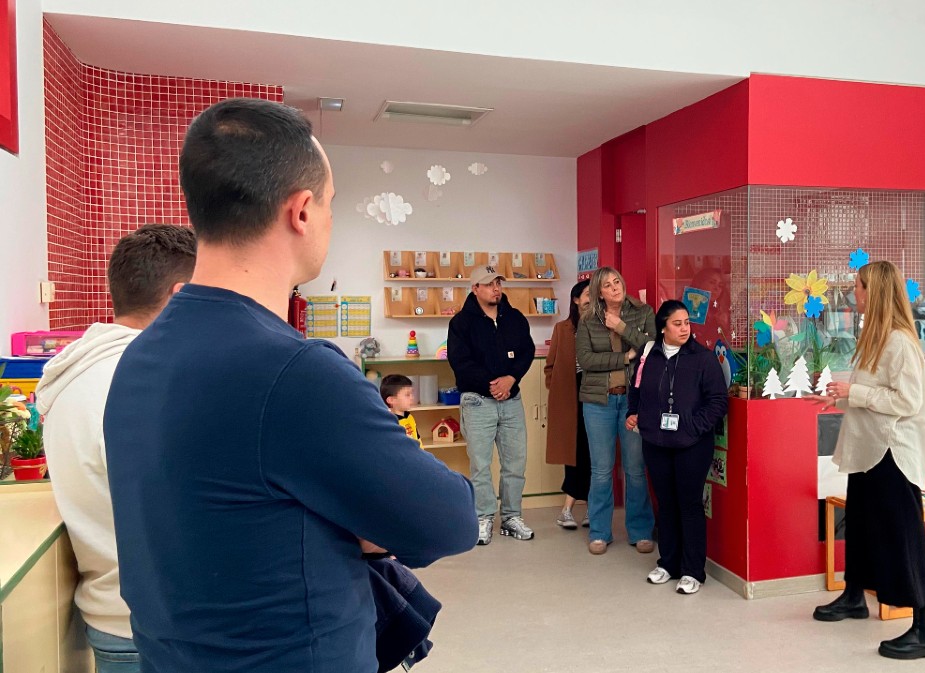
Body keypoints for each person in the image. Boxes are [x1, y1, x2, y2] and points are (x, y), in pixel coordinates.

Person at [103, 98, 478, 673]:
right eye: (331, 202)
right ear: (301, 210)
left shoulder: (140, 355)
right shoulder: (294, 372)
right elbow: (448, 518)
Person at [38, 224, 197, 673]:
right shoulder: (149, 383)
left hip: (110, 618)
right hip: (163, 629)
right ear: (181, 295)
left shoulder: (75, 374)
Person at [805, 260, 925, 660]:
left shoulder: (900, 341)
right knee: (861, 527)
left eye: (859, 287)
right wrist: (841, 396)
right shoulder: (875, 336)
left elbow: (907, 402)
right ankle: (853, 597)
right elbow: (872, 391)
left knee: (906, 537)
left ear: (876, 292)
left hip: (893, 453)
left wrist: (855, 393)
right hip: (870, 449)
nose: (854, 293)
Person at [626, 300, 728, 594]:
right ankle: (668, 563)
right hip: (656, 442)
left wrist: (693, 427)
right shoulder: (650, 355)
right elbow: (637, 392)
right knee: (666, 503)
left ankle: (693, 570)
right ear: (663, 327)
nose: (685, 329)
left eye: (687, 323)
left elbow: (718, 401)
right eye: (677, 323)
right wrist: (635, 415)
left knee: (690, 504)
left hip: (691, 445)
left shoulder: (703, 358)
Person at [447, 265, 536, 545]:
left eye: (498, 282)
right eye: (489, 284)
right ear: (475, 289)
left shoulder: (516, 319)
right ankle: (483, 517)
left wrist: (511, 378)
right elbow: (460, 362)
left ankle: (511, 517)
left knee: (515, 463)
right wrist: (493, 384)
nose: (496, 288)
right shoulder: (461, 323)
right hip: (477, 402)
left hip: (511, 401)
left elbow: (527, 352)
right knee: (481, 464)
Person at [576, 266, 656, 555]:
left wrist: (621, 328)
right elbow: (585, 360)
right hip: (599, 402)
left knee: (635, 469)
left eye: (617, 282)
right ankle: (599, 532)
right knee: (600, 470)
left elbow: (651, 347)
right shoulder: (587, 320)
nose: (615, 288)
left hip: (633, 402)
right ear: (599, 292)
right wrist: (624, 357)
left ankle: (640, 531)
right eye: (608, 285)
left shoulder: (642, 311)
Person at [544, 280, 593, 529]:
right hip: (569, 395)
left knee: (593, 452)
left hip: (594, 394)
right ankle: (568, 510)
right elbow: (550, 365)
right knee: (572, 452)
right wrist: (557, 386)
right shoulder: (562, 329)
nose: (590, 299)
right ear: (575, 299)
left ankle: (590, 510)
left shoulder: (601, 326)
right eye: (586, 294)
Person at [381, 374, 421, 448]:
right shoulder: (390, 423)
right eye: (407, 395)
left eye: (412, 393)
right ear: (391, 400)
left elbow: (418, 440)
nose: (412, 397)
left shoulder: (409, 416)